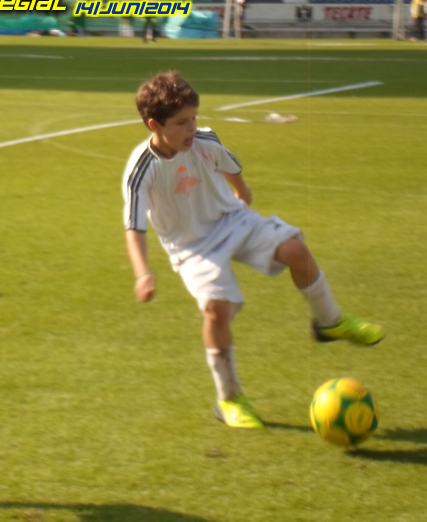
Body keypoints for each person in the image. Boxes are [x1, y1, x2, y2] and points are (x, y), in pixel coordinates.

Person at [123, 71, 383, 429]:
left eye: (194, 117)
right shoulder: (142, 169)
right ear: (155, 125)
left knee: (295, 250)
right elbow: (134, 227)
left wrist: (242, 194)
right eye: (181, 122)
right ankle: (229, 399)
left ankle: (329, 322)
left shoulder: (204, 139)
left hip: (232, 220)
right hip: (191, 246)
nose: (191, 128)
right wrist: (143, 273)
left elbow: (230, 166)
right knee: (217, 309)